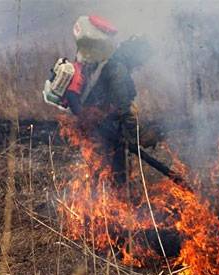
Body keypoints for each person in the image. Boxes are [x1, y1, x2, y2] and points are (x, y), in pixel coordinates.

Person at [43, 15, 152, 185]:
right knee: (111, 171)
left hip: (99, 123)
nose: (142, 65)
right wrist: (141, 135)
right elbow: (124, 108)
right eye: (142, 60)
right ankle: (114, 202)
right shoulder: (118, 70)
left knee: (103, 170)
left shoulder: (108, 63)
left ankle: (109, 200)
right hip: (101, 127)